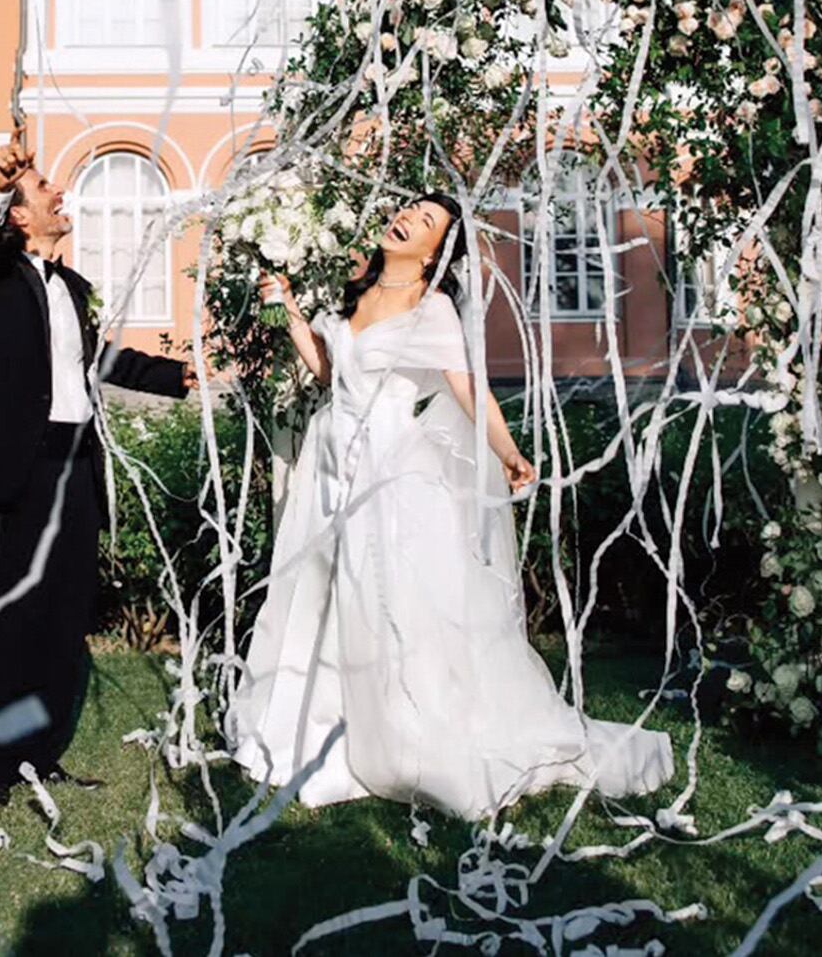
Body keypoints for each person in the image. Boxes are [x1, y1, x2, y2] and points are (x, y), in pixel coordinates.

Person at [228, 193, 674, 817]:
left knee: (384, 593)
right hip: (327, 464)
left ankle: (402, 723)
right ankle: (320, 714)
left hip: (385, 467)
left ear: (437, 250)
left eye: (427, 220)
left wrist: (511, 454)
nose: (407, 216)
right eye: (408, 206)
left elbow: (471, 392)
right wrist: (294, 314)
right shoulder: (356, 296)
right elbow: (333, 375)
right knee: (321, 590)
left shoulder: (432, 311)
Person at [0, 133, 196, 806]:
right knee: (13, 620)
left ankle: (40, 752)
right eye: (44, 190)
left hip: (76, 465)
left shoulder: (77, 286)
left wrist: (179, 374)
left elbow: (106, 360)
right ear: (19, 215)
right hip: (21, 468)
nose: (60, 192)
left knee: (62, 617)